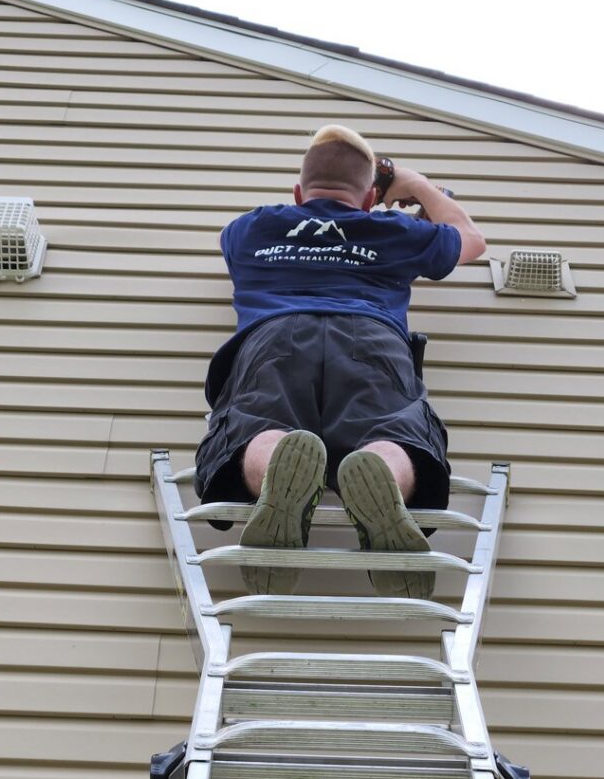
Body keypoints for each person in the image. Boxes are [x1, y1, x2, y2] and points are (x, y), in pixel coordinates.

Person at [194, 125, 486, 597]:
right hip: (371, 339)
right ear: (370, 197)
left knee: (257, 425)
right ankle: (378, 473)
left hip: (274, 335)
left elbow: (231, 244)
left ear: (297, 191)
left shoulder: (251, 229)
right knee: (392, 430)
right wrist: (418, 187)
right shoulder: (395, 230)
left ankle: (278, 472)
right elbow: (470, 240)